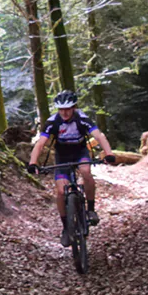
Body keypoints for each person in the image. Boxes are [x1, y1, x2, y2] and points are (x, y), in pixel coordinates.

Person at [26, 90, 117, 246]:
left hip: (80, 152)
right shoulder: (53, 121)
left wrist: (108, 154)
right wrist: (32, 163)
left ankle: (90, 209)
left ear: (74, 107)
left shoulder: (82, 119)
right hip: (62, 155)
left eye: (68, 109)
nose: (65, 112)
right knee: (61, 191)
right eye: (61, 109)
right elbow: (40, 143)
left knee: (85, 171)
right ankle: (66, 228)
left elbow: (99, 136)